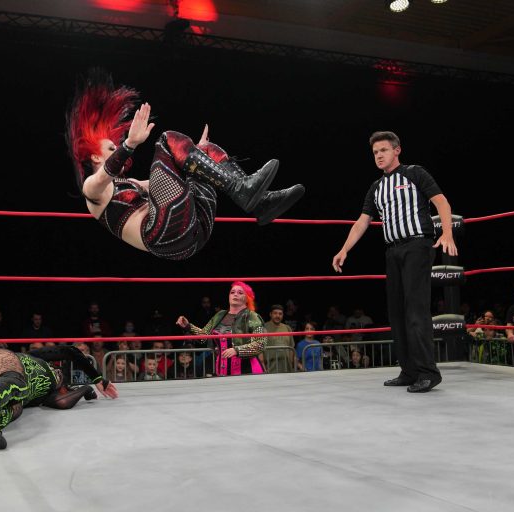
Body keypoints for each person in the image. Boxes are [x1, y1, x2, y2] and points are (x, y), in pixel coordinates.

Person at [66, 70, 304, 260]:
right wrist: (130, 144)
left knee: (206, 151)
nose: (118, 150)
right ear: (95, 157)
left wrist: (198, 156)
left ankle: (262, 204)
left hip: (193, 233)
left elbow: (171, 180)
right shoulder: (92, 191)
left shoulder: (132, 184)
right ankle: (242, 190)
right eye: (112, 148)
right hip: (163, 234)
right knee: (166, 140)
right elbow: (104, 176)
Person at [332, 131, 457, 393]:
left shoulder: (414, 173)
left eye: (383, 150)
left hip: (417, 245)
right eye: (375, 152)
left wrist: (447, 233)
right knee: (397, 312)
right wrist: (344, 249)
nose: (379, 156)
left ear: (397, 150)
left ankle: (428, 372)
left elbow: (442, 202)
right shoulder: (376, 187)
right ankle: (409, 371)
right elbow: (363, 221)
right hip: (393, 250)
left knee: (415, 310)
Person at [176, 281, 266, 375]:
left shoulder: (252, 316)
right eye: (232, 292)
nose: (235, 294)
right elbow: (204, 336)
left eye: (240, 293)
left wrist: (237, 350)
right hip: (223, 370)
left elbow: (260, 344)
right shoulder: (220, 315)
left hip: (247, 371)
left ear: (247, 298)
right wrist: (188, 326)